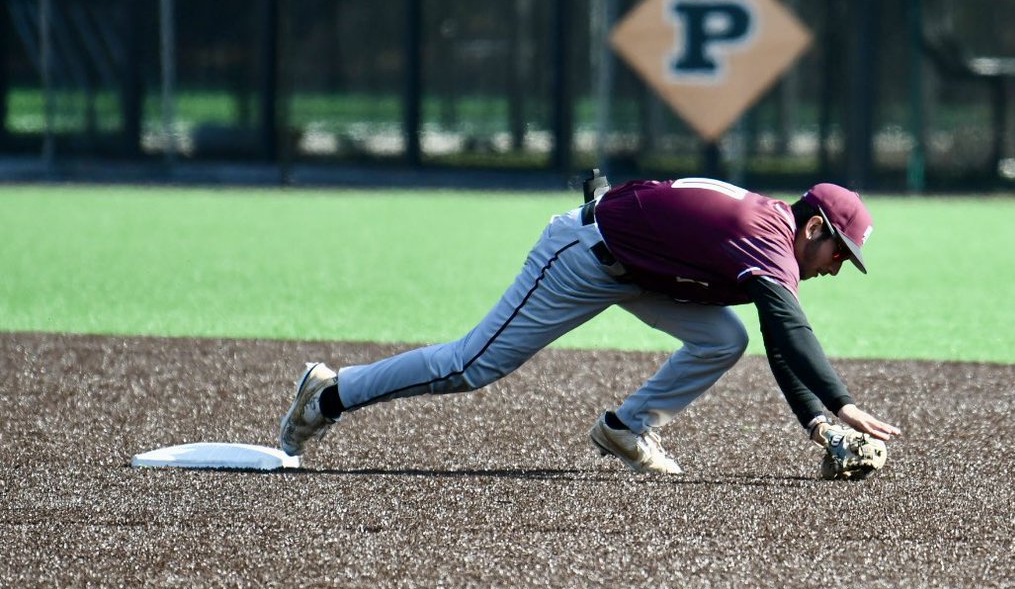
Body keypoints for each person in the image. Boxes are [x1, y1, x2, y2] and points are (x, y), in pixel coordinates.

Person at [279, 174, 901, 475]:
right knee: (471, 366)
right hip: (584, 257)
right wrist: (838, 407)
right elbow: (790, 335)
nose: (838, 269)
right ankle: (330, 393)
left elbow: (774, 335)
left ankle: (627, 428)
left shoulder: (770, 237)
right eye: (839, 253)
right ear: (814, 226)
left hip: (639, 266)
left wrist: (819, 423)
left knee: (724, 338)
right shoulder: (762, 238)